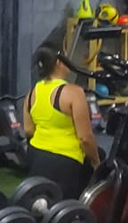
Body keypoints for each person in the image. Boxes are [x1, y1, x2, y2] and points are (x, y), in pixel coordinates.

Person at [23, 44, 101, 199]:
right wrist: (97, 162)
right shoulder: (74, 92)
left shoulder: (32, 93)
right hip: (65, 161)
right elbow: (85, 138)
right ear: (59, 62)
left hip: (35, 157)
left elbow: (28, 130)